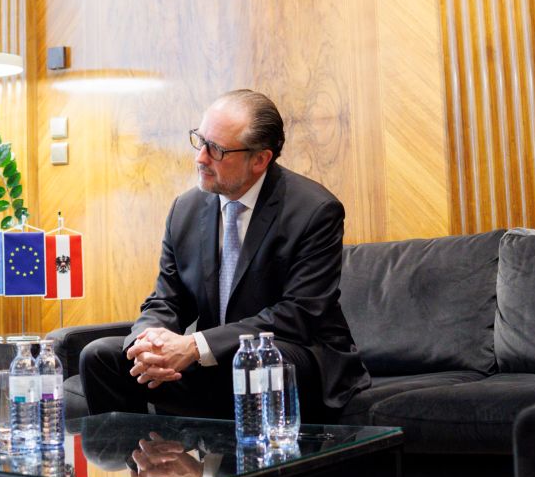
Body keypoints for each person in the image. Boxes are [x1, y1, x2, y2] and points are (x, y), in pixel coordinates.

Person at [78, 91, 365, 423]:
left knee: (257, 360)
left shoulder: (314, 211)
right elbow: (166, 299)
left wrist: (194, 346)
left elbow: (298, 314)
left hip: (293, 356)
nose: (200, 158)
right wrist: (147, 342)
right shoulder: (185, 210)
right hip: (214, 360)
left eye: (217, 149)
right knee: (101, 357)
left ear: (259, 160)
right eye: (200, 141)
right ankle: (146, 469)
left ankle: (256, 469)